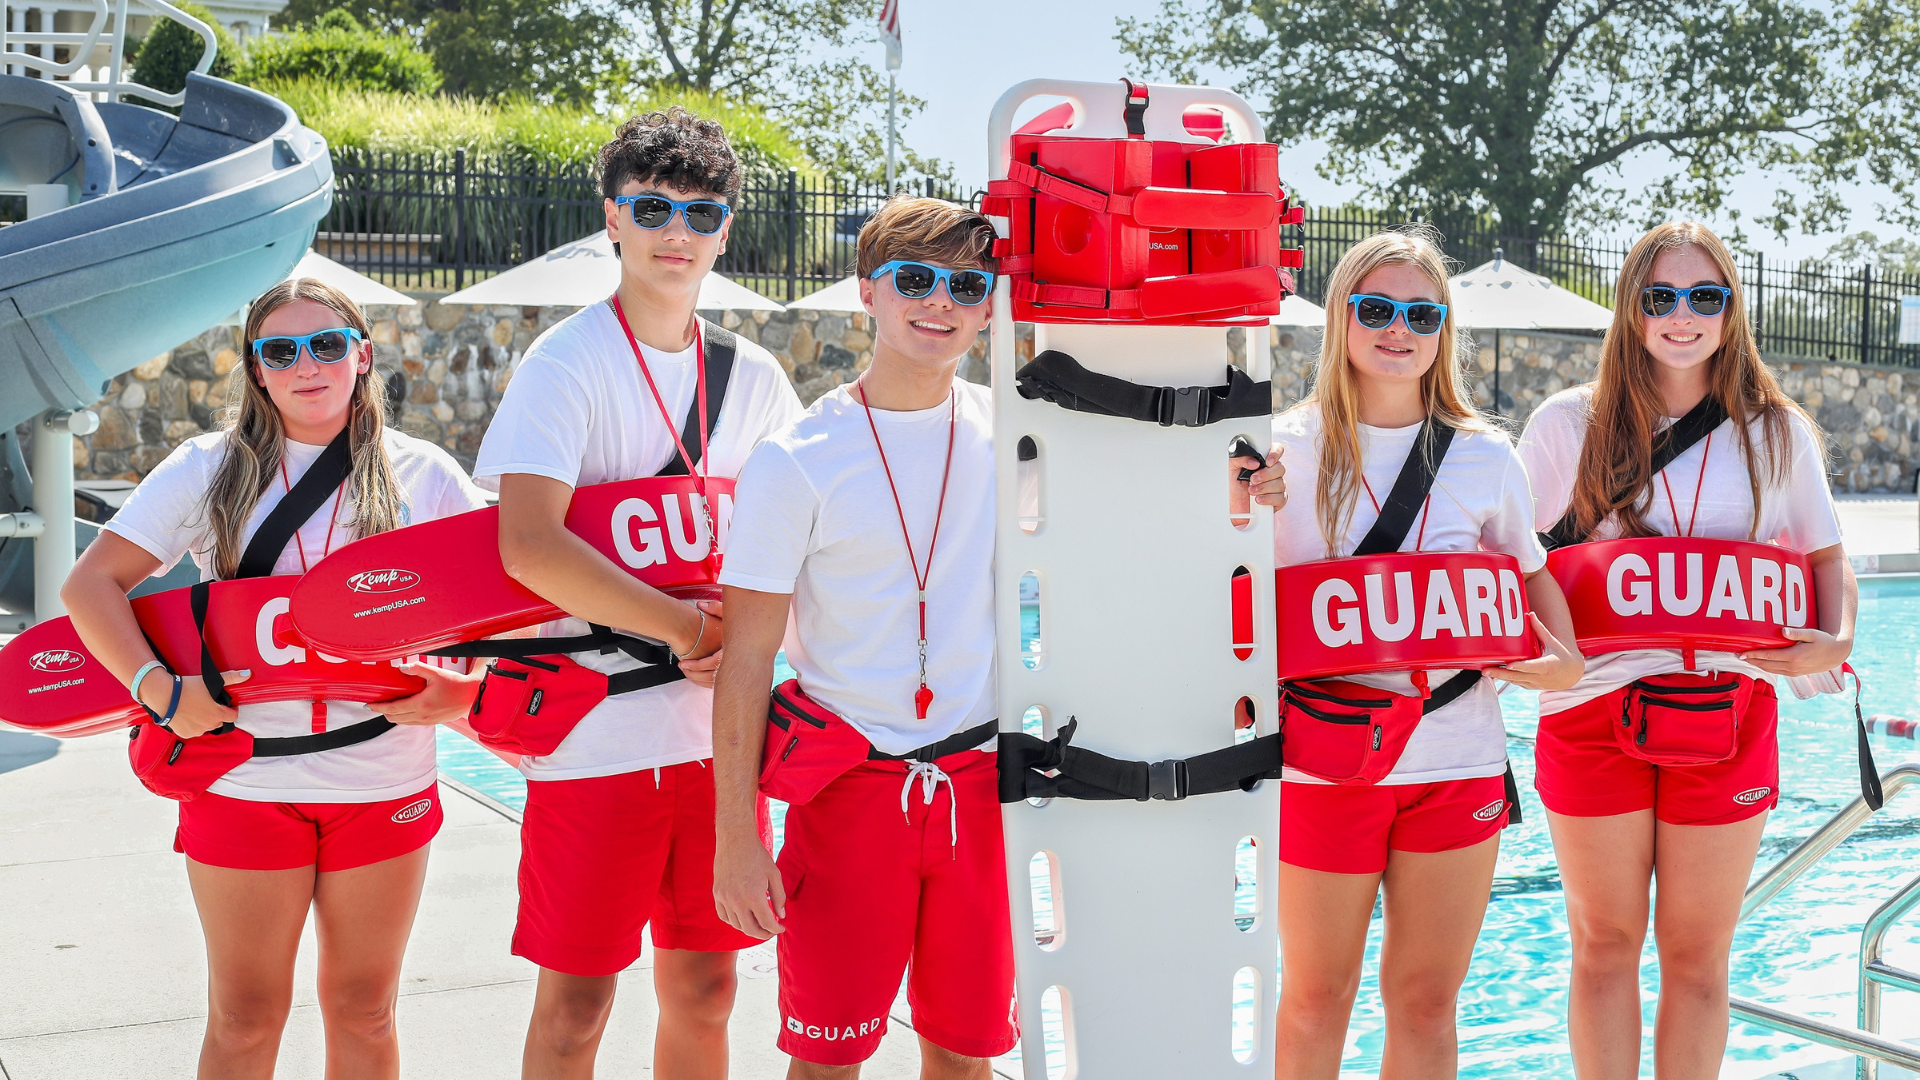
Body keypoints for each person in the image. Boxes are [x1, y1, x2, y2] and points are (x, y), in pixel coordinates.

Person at [60, 278, 488, 1079]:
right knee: (245, 1019)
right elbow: (90, 585)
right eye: (281, 350)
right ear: (257, 370)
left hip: (382, 777)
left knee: (365, 1013)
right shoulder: (208, 468)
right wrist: (160, 691)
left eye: (327, 344)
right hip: (244, 781)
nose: (307, 365)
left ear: (362, 356)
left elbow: (505, 603)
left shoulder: (422, 474)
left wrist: (463, 696)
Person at [470, 107, 803, 1080]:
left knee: (706, 992)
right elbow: (528, 546)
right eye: (652, 207)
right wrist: (689, 625)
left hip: (718, 737)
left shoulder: (757, 377)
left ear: (727, 229)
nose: (676, 233)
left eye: (701, 214)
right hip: (597, 736)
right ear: (611, 218)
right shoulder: (567, 363)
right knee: (576, 1007)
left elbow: (792, 547)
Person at [1241, 229, 1583, 1079]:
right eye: (1378, 308)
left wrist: (1565, 663)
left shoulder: (1483, 455)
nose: (1400, 329)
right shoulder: (1279, 448)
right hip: (1326, 767)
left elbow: (1534, 580)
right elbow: (1220, 603)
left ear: (1444, 330)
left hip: (1455, 762)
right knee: (1316, 1001)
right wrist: (1235, 508)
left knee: (1427, 1004)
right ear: (1341, 318)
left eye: (1421, 314)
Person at [1518, 221, 1852, 1079]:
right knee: (1603, 943)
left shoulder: (1778, 432)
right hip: (1592, 703)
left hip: (1730, 707)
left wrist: (1836, 638)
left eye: (1706, 296)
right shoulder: (1568, 423)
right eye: (1660, 296)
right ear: (1631, 308)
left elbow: (1825, 558)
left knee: (1698, 957)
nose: (1682, 315)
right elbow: (1513, 558)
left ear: (1732, 310)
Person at [710, 196, 1016, 1079]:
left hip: (975, 787)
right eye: (914, 280)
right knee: (827, 1062)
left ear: (990, 302)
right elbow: (746, 662)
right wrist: (740, 838)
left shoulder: (1018, 435)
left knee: (964, 1057)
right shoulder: (796, 457)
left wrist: (1244, 489)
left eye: (967, 284)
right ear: (867, 296)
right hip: (847, 793)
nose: (941, 303)